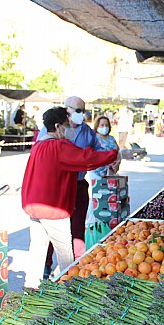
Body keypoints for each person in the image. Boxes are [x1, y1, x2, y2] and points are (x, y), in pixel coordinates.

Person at [22, 107, 117, 287]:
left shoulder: (38, 146)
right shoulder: (59, 146)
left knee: (37, 249)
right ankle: (69, 288)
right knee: (65, 253)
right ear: (58, 126)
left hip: (34, 206)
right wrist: (112, 154)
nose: (69, 130)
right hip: (52, 208)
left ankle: (30, 287)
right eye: (67, 125)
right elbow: (85, 157)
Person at [90, 116, 120, 180]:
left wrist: (117, 163)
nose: (104, 127)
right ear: (97, 126)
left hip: (111, 172)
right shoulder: (93, 138)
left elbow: (118, 152)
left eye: (106, 125)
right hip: (97, 173)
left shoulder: (111, 138)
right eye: (102, 125)